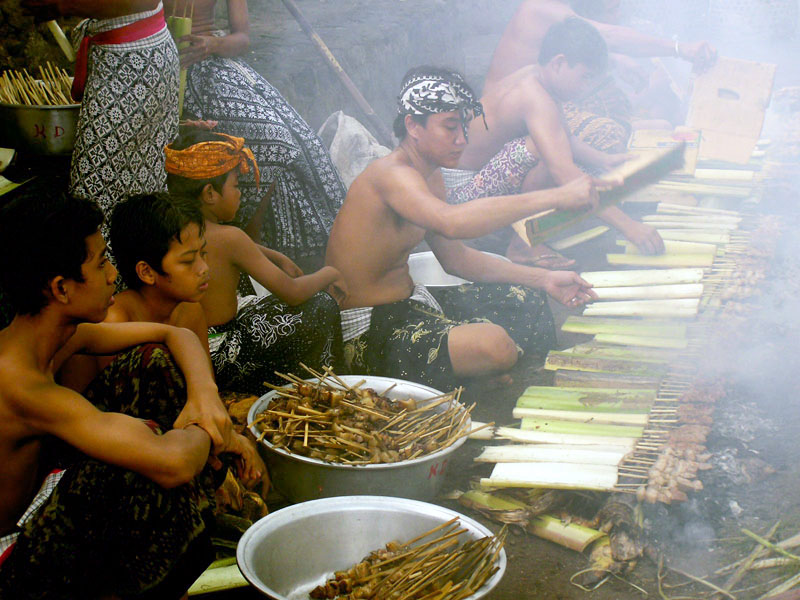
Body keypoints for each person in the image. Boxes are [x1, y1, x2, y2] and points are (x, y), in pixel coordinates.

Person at [0, 192, 262, 599]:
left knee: (152, 362)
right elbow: (173, 463)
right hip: (8, 563)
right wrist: (216, 433)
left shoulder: (55, 338)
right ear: (61, 288)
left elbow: (172, 335)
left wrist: (205, 398)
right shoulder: (20, 384)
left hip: (35, 510)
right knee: (127, 474)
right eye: (101, 262)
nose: (111, 275)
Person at [325, 67, 602, 391]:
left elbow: (456, 259)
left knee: (526, 299)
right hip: (366, 330)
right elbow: (453, 222)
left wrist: (544, 280)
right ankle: (477, 371)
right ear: (413, 126)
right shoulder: (391, 175)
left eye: (464, 129)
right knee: (495, 346)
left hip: (412, 304)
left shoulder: (431, 174)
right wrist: (557, 196)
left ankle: (471, 372)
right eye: (450, 128)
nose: (461, 140)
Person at [444, 18, 664, 268]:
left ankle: (519, 232)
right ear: (559, 63)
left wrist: (604, 159)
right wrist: (629, 226)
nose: (586, 88)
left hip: (479, 179)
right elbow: (564, 173)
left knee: (576, 163)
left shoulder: (537, 77)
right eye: (585, 78)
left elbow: (561, 136)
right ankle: (522, 244)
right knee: (547, 154)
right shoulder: (534, 95)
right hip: (459, 193)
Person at [164, 0, 347, 272]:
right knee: (273, 139)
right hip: (171, 65)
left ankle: (260, 240)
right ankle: (247, 243)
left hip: (217, 65)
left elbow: (242, 38)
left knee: (295, 138)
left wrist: (212, 45)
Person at [165, 130, 348, 392]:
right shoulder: (231, 238)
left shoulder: (175, 227)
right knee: (320, 304)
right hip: (220, 355)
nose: (240, 194)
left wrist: (277, 256)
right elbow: (293, 293)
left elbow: (236, 247)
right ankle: (320, 387)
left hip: (186, 350)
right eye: (236, 186)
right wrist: (331, 272)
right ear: (209, 194)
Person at [22, 0, 179, 215]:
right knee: (124, 185)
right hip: (129, 56)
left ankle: (108, 245)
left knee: (99, 191)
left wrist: (65, 6)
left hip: (136, 64)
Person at [484, 0, 716, 91]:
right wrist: (680, 49)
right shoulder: (540, 7)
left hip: (527, 111)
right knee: (608, 125)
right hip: (506, 116)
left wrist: (615, 60)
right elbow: (609, 36)